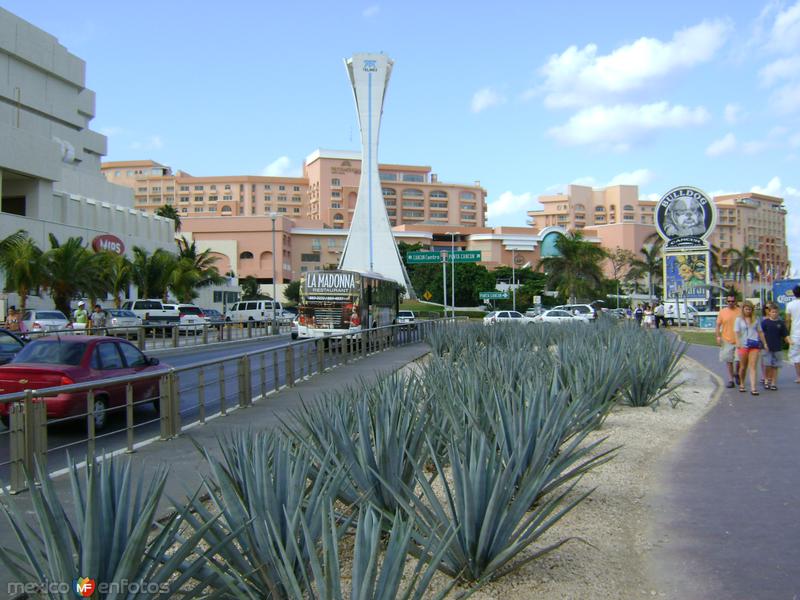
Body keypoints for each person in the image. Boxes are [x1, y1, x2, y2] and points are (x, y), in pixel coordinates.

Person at [734, 300, 767, 395]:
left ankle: (753, 388)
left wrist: (764, 343)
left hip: (754, 344)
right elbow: (736, 332)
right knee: (743, 366)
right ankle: (742, 383)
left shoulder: (755, 319)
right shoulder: (739, 319)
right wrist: (738, 342)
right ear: (743, 309)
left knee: (753, 366)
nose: (748, 311)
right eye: (746, 309)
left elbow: (760, 332)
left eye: (750, 309)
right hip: (743, 345)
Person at [760, 302, 790, 391]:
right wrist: (764, 344)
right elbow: (761, 334)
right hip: (767, 347)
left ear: (778, 312)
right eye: (772, 312)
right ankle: (766, 380)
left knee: (775, 366)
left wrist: (790, 341)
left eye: (776, 312)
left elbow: (785, 334)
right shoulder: (765, 322)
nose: (774, 314)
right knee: (767, 365)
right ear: (769, 312)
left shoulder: (781, 323)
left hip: (777, 347)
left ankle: (773, 383)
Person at [716, 295, 741, 389]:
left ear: (735, 301)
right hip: (727, 339)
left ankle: (737, 373)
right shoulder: (722, 312)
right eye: (729, 301)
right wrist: (718, 337)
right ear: (726, 302)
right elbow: (718, 325)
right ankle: (731, 380)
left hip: (739, 339)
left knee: (739, 360)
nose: (731, 303)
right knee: (729, 360)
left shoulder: (739, 311)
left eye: (732, 301)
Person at [786, 285, 800, 384]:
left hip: (795, 333)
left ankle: (799, 377)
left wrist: (786, 334)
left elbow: (787, 321)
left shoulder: (790, 305)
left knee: (796, 356)